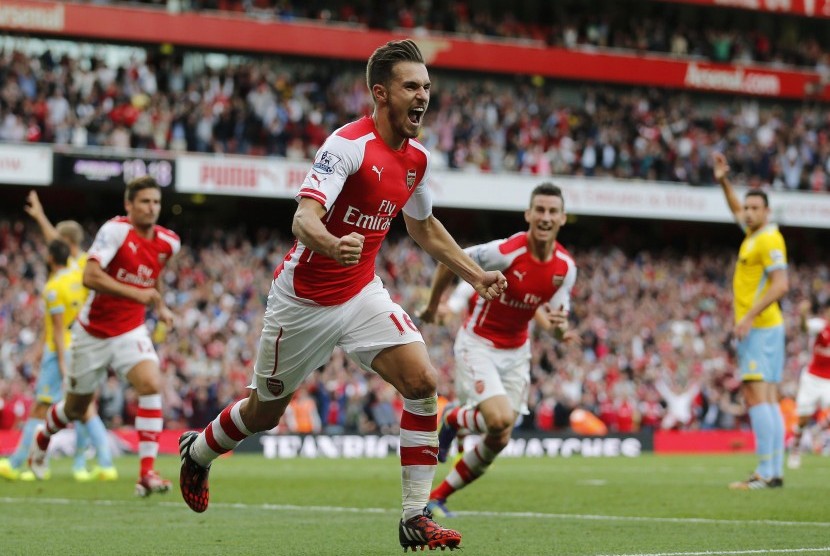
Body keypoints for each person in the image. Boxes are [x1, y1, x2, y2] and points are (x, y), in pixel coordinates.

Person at [176, 39, 506, 552]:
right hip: (302, 301)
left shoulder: (416, 159)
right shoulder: (346, 145)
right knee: (264, 414)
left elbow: (424, 228)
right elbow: (303, 218)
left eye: (426, 87)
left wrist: (474, 275)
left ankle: (414, 516)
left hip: (360, 294)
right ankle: (198, 452)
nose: (422, 96)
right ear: (380, 92)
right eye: (410, 86)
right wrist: (332, 242)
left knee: (422, 382)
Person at [416, 182, 578, 517]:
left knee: (500, 437)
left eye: (553, 211)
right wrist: (434, 305)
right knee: (499, 417)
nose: (545, 217)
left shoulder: (565, 268)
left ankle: (438, 496)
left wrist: (561, 331)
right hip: (479, 343)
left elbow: (551, 317)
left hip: (518, 351)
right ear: (528, 214)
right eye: (540, 210)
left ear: (563, 218)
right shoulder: (506, 252)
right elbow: (450, 257)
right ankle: (454, 419)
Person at [28, 176, 180, 497]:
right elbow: (90, 276)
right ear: (129, 205)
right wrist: (138, 295)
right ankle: (44, 436)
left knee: (151, 384)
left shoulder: (169, 243)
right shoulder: (115, 231)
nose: (151, 208)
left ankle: (146, 473)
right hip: (92, 333)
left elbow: (154, 278)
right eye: (144, 202)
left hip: (130, 330)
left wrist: (161, 307)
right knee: (74, 408)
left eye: (156, 202)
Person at [20, 190, 116, 481]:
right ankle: (86, 464)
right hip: (89, 343)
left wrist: (39, 216)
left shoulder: (75, 271)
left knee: (68, 406)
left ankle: (20, 462)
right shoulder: (82, 266)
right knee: (82, 406)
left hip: (70, 345)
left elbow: (56, 245)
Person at [0, 240, 106, 482]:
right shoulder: (80, 276)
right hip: (84, 346)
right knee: (82, 408)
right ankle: (91, 463)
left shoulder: (53, 287)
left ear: (49, 258)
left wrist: (59, 361)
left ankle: (19, 462)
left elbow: (57, 331)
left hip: (61, 351)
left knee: (41, 406)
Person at [713, 152, 789, 490]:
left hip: (761, 328)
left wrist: (747, 318)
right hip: (766, 327)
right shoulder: (752, 235)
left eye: (755, 208)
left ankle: (764, 472)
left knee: (756, 396)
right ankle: (773, 471)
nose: (748, 212)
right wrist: (723, 181)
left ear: (767, 211)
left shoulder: (769, 238)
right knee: (767, 398)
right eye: (747, 208)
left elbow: (781, 283)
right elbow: (733, 208)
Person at [787, 298, 830, 469]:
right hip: (812, 378)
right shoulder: (821, 326)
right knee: (803, 418)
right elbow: (805, 327)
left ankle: (817, 430)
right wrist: (803, 314)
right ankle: (796, 449)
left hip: (829, 380)